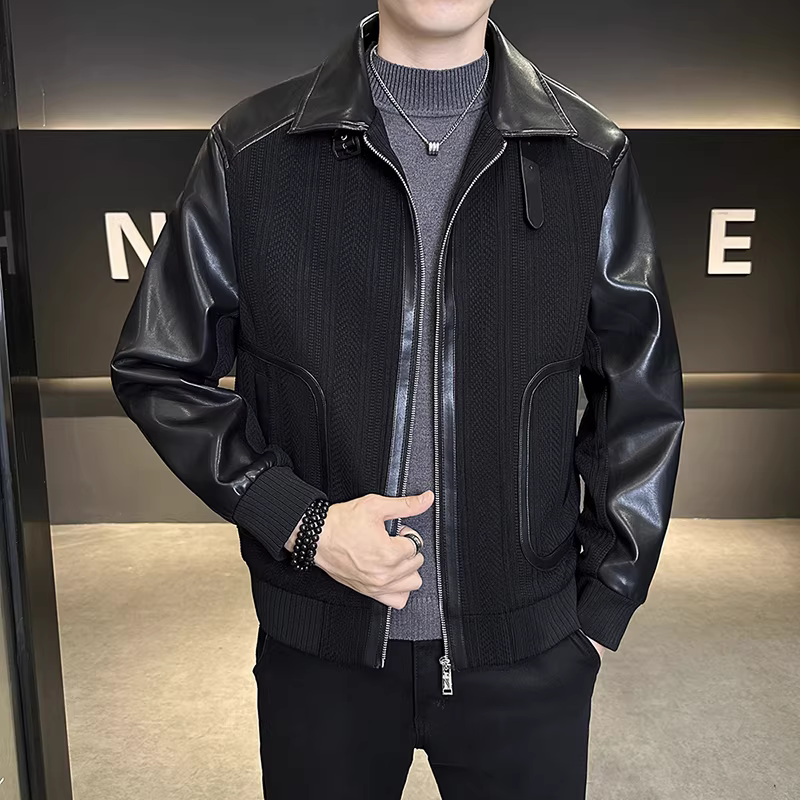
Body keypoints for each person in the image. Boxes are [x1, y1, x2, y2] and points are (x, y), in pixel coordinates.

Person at [110, 2, 685, 798]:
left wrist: (600, 605)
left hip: (530, 653)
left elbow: (640, 395)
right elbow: (158, 367)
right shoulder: (253, 149)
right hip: (320, 649)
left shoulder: (587, 155)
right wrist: (302, 523)